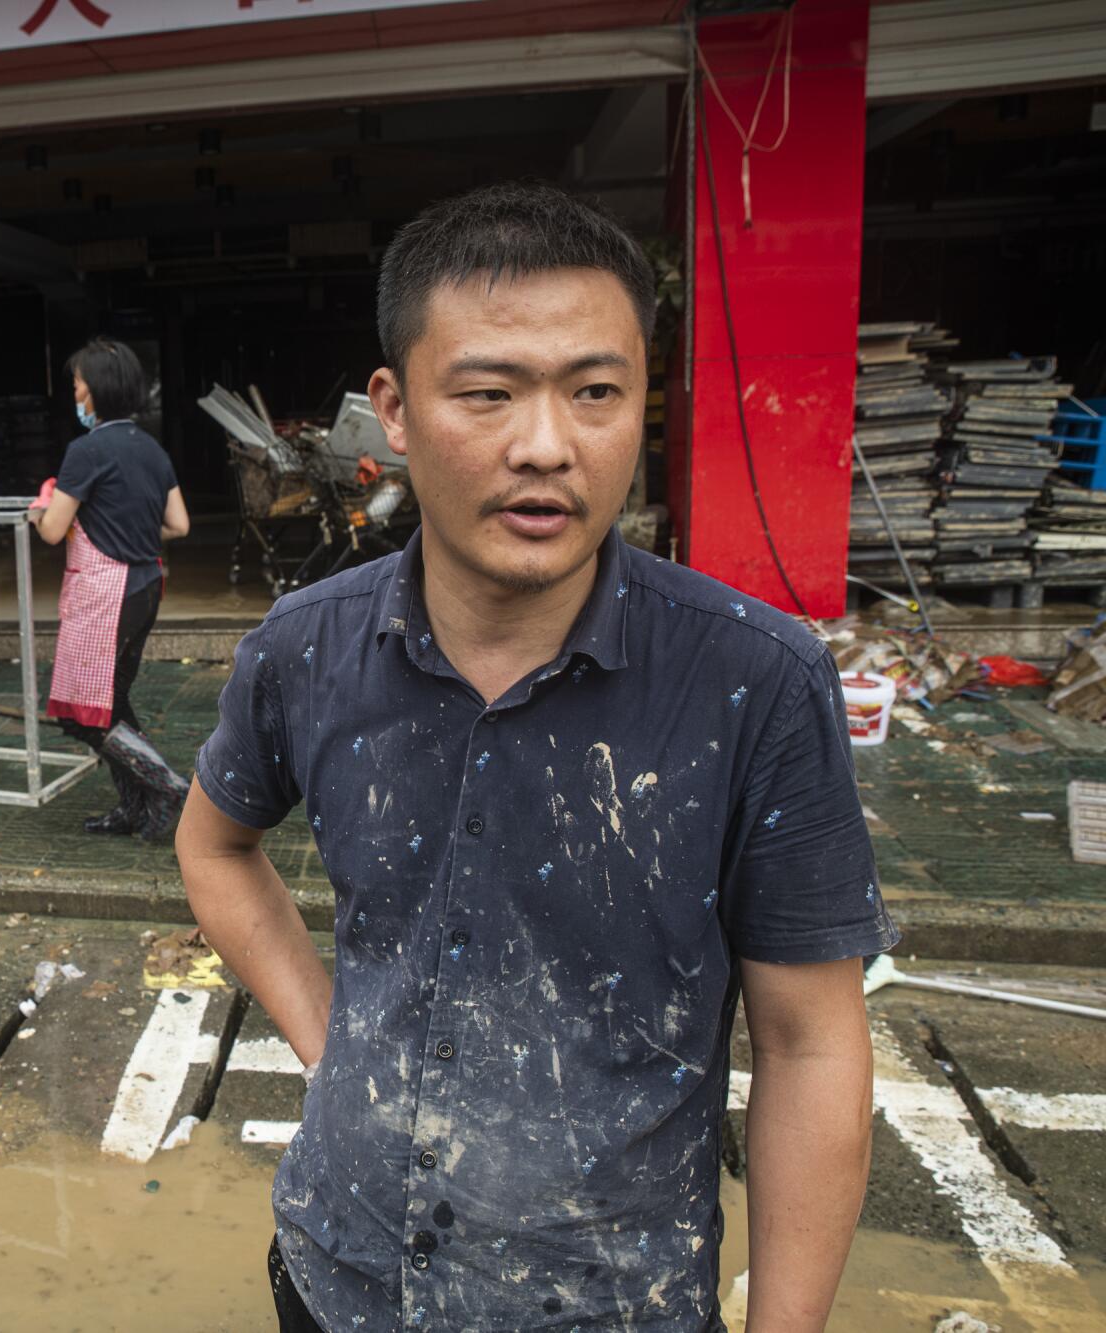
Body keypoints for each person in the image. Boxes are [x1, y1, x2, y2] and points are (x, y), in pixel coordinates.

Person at [179, 183, 896, 1332]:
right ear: (394, 409)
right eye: (487, 393)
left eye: (594, 392)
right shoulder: (301, 648)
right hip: (339, 1275)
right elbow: (213, 844)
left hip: (612, 1302)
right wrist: (331, 1039)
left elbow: (810, 1041)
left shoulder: (752, 682)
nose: (545, 446)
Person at [31, 337, 193, 841]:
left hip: (107, 597)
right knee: (112, 702)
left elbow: (53, 531)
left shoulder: (87, 451)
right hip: (146, 589)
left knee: (88, 714)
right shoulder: (152, 449)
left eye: (78, 383)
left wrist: (40, 510)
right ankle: (136, 807)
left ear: (97, 390)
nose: (75, 392)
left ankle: (167, 787)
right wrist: (132, 526)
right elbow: (179, 524)